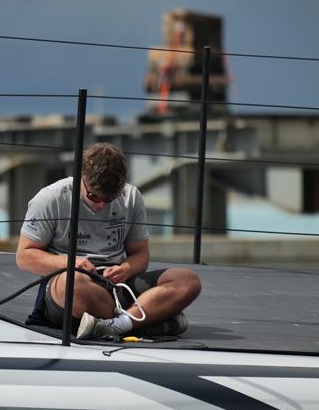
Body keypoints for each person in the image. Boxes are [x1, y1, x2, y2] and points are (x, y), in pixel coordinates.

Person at [16, 142, 201, 339]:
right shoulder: (50, 198)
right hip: (70, 285)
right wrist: (71, 262)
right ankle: (143, 319)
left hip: (117, 284)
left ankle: (117, 324)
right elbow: (24, 256)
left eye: (110, 199)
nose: (101, 205)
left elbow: (141, 254)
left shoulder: (131, 196)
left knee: (188, 280)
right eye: (93, 197)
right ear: (81, 178)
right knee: (74, 284)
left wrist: (127, 268)